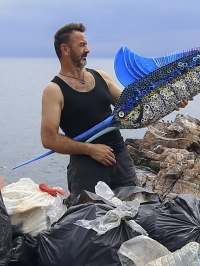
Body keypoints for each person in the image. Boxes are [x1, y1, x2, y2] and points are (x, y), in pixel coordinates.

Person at [41, 23, 139, 196]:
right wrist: (91, 149)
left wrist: (169, 102)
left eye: (86, 44)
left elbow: (134, 107)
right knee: (89, 214)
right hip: (86, 168)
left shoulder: (101, 76)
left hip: (121, 161)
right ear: (65, 49)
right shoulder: (54, 90)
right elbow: (49, 139)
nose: (88, 50)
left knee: (137, 208)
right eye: (82, 45)